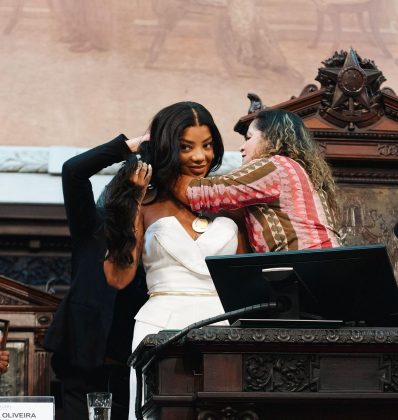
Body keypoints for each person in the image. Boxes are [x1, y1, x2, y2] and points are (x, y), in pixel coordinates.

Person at [102, 101, 248, 420]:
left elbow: (247, 279)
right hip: (160, 322)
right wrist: (132, 205)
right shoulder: (146, 203)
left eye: (207, 146)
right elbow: (118, 278)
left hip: (224, 324)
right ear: (169, 148)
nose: (200, 156)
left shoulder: (233, 206)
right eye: (186, 147)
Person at [44, 135, 148, 420]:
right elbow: (74, 171)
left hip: (134, 362)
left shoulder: (162, 232)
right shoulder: (94, 222)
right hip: (81, 355)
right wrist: (130, 146)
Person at [173, 108, 341, 252]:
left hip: (308, 264)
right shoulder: (293, 168)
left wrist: (162, 165)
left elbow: (202, 193)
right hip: (322, 263)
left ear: (270, 137)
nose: (242, 147)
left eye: (249, 137)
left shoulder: (274, 166)